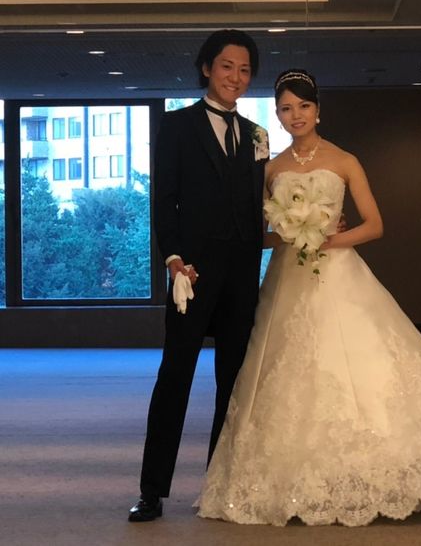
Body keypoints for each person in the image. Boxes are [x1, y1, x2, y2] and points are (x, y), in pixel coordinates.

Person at [197, 69, 421, 526]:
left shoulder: (345, 160)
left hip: (339, 272)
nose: (295, 115)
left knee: (363, 360)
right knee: (287, 367)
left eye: (303, 106)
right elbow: (260, 236)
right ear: (277, 115)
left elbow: (374, 224)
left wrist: (326, 238)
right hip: (288, 278)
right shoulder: (270, 170)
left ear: (318, 110)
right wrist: (287, 233)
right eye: (286, 108)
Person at [128, 29, 269, 522]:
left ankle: (220, 484)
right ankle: (151, 490)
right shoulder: (176, 125)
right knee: (175, 376)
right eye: (227, 66)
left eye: (245, 69)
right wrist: (173, 260)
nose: (236, 76)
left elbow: (261, 204)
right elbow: (164, 201)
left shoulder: (258, 134)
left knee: (234, 381)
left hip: (243, 274)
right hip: (193, 272)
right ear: (207, 68)